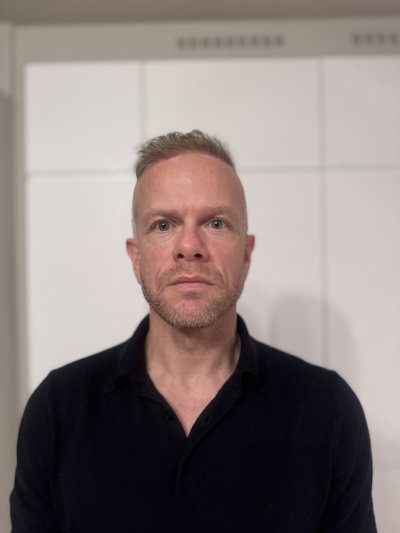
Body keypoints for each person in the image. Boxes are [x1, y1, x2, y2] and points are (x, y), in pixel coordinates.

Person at [11, 130, 376, 532]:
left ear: (246, 254)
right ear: (136, 258)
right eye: (163, 225)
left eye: (216, 223)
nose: (189, 246)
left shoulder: (328, 410)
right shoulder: (58, 411)